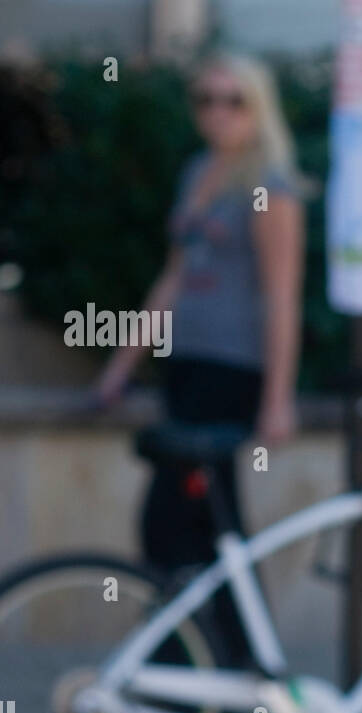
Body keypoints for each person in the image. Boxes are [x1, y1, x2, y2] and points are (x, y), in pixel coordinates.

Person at [93, 50, 306, 665]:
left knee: (180, 515)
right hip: (186, 363)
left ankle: (200, 659)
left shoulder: (271, 186)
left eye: (234, 100)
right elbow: (173, 279)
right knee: (208, 523)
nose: (218, 113)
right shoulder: (197, 174)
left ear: (257, 107)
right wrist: (120, 368)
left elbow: (281, 293)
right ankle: (218, 660)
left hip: (233, 368)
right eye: (206, 99)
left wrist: (278, 399)